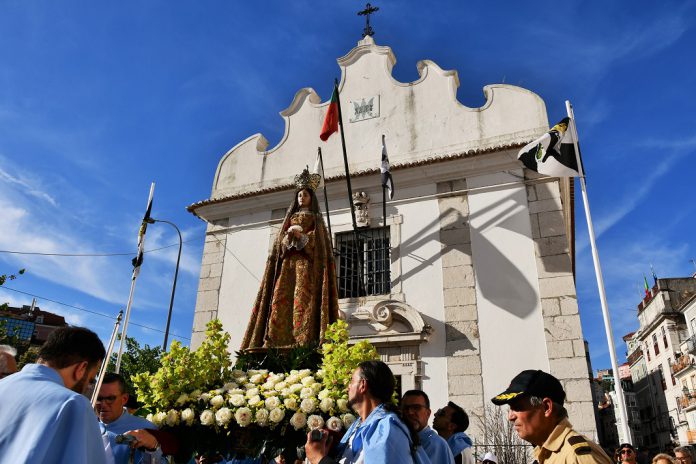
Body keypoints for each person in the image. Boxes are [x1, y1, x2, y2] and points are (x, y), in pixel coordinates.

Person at [241, 167, 339, 350]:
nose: (302, 198)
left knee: (304, 300)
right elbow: (279, 246)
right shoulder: (289, 218)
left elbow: (318, 245)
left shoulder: (316, 219)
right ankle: (276, 339)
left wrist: (303, 238)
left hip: (306, 267)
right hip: (287, 266)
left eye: (305, 195)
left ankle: (304, 339)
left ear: (311, 198)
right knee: (279, 297)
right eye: (299, 195)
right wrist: (288, 238)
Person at [0, 326, 108, 463]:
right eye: (91, 379)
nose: (88, 386)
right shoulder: (73, 404)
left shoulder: (3, 385)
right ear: (81, 368)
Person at [304, 360, 420, 464]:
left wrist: (319, 459)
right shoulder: (360, 425)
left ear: (363, 385)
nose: (348, 387)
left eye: (352, 381)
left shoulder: (386, 429)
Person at [491, 369, 612, 464]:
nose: (510, 417)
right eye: (510, 409)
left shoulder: (577, 457)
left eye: (517, 407)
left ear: (546, 407)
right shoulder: (545, 453)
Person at [96, 372, 164, 464]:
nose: (103, 404)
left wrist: (153, 447)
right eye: (99, 398)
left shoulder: (145, 428)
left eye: (110, 398)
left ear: (124, 399)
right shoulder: (85, 426)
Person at [401, 390, 455, 464]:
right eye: (406, 408)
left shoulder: (438, 445)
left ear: (428, 413)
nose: (410, 412)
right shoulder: (399, 439)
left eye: (416, 407)